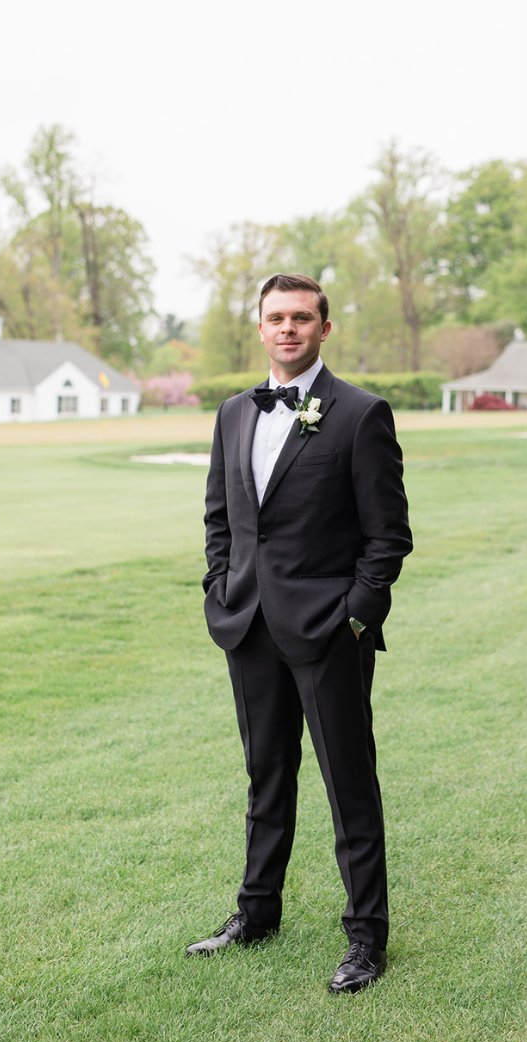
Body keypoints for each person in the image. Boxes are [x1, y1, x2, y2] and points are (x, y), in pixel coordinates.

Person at [190, 273, 413, 994]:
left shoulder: (359, 414)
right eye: (275, 318)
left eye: (302, 318)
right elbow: (220, 519)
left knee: (349, 782)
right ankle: (255, 915)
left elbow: (388, 538)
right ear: (260, 328)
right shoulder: (231, 415)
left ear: (324, 328)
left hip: (328, 632)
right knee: (266, 775)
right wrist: (219, 589)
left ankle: (366, 940)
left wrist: (354, 616)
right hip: (248, 625)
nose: (287, 328)